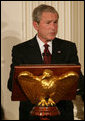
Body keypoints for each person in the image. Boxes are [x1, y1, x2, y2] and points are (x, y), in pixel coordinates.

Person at [7, 4, 84, 120]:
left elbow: (79, 82)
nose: (53, 27)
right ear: (35, 25)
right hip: (31, 114)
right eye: (48, 23)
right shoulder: (21, 50)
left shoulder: (68, 48)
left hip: (62, 114)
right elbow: (12, 85)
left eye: (55, 22)